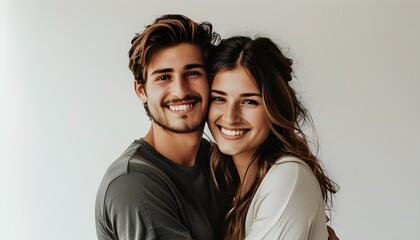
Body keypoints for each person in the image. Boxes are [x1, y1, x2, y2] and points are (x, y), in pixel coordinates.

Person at [95, 14, 224, 240]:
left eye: (192, 73)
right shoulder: (134, 184)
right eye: (164, 77)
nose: (181, 91)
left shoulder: (215, 160)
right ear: (141, 91)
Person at [207, 36, 339, 239]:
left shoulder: (287, 177)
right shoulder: (225, 180)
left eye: (249, 101)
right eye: (219, 98)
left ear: (274, 108)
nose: (230, 117)